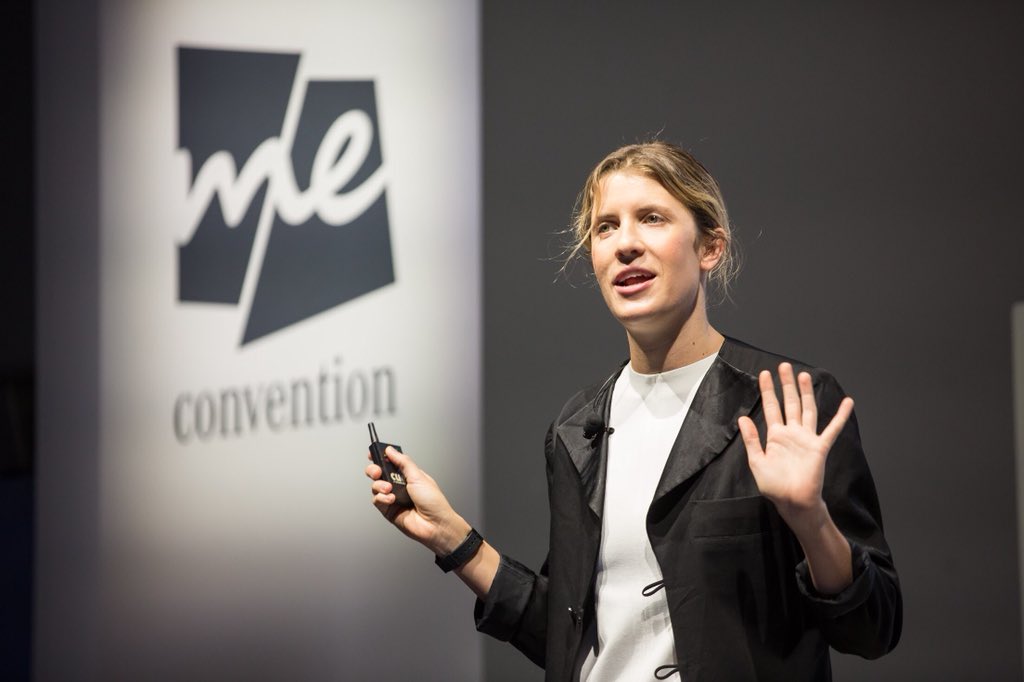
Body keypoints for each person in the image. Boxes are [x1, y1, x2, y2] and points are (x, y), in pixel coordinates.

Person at [366, 141, 901, 681]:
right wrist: (453, 537)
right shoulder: (576, 430)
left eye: (651, 218)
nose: (625, 244)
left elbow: (873, 628)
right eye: (606, 227)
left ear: (710, 247)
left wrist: (811, 520)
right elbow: (569, 640)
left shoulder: (784, 404)